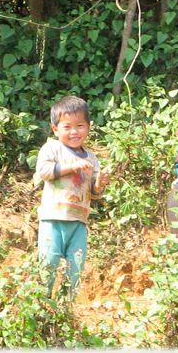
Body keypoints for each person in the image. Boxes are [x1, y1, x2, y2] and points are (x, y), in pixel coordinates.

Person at [36, 95, 111, 298]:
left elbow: (94, 194)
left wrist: (100, 182)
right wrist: (72, 167)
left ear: (88, 126)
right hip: (53, 218)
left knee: (75, 268)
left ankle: (65, 312)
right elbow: (43, 171)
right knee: (48, 263)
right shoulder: (53, 148)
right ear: (55, 129)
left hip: (78, 222)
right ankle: (42, 304)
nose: (74, 132)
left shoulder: (91, 158)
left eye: (80, 125)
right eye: (67, 127)